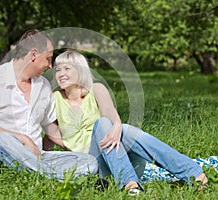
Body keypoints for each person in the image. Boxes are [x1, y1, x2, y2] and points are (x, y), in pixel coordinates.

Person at [43, 50, 208, 194]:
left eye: (66, 68)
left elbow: (108, 110)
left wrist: (116, 126)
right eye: (57, 70)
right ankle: (191, 173)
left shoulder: (97, 88)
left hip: (126, 161)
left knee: (111, 126)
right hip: (94, 165)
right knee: (107, 125)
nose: (60, 73)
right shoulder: (54, 98)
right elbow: (49, 135)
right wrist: (39, 161)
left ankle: (132, 185)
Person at [0, 30, 98, 180]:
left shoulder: (43, 86)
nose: (50, 66)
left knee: (89, 161)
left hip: (37, 157)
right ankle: (51, 176)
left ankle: (39, 173)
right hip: (0, 156)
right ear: (34, 54)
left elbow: (52, 130)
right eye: (48, 59)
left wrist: (85, 148)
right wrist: (22, 139)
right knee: (2, 139)